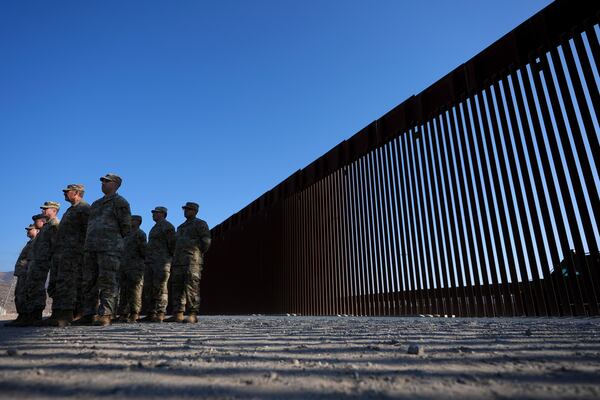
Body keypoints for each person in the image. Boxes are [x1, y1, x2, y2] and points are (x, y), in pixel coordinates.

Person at [77, 173, 131, 326]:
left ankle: (106, 314)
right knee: (89, 281)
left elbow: (125, 227)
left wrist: (113, 242)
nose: (103, 184)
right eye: (102, 182)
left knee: (108, 281)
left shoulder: (120, 202)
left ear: (115, 184)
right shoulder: (96, 204)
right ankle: (88, 313)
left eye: (107, 182)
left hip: (109, 248)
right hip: (91, 247)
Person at [42, 184, 90, 327]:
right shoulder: (70, 210)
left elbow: (88, 230)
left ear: (76, 193)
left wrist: (82, 251)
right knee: (62, 282)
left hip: (75, 253)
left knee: (71, 282)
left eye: (67, 191)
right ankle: (58, 313)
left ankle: (68, 314)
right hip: (64, 253)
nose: (64, 193)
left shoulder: (84, 208)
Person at [165, 202, 211, 323]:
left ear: (195, 211)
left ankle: (192, 314)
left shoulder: (200, 224)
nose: (186, 211)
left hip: (192, 261)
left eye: (189, 209)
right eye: (185, 209)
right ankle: (178, 313)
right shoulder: (180, 227)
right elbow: (175, 244)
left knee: (192, 286)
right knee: (177, 287)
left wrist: (196, 253)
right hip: (179, 261)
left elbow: (206, 241)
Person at [17, 201, 60, 326]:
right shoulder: (47, 227)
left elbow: (55, 245)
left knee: (38, 288)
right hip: (37, 262)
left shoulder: (54, 225)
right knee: (32, 287)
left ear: (54, 210)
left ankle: (36, 316)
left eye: (45, 209)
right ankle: (30, 315)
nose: (43, 211)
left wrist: (52, 260)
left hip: (44, 262)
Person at [141, 206, 175, 323]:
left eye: (156, 212)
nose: (153, 214)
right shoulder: (154, 228)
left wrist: (167, 259)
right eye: (153, 213)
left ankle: (161, 312)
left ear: (163, 214)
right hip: (151, 262)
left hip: (161, 261)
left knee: (160, 286)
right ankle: (151, 313)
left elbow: (172, 244)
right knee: (149, 287)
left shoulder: (167, 226)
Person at [4, 224, 39, 327]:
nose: (27, 232)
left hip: (28, 272)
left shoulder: (36, 242)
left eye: (30, 230)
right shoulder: (30, 243)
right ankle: (22, 316)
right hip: (22, 272)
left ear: (36, 230)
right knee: (19, 294)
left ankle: (27, 316)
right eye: (27, 230)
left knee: (24, 293)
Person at [116, 215, 147, 323]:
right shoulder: (126, 235)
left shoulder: (140, 234)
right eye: (130, 220)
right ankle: (123, 313)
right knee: (123, 291)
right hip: (124, 266)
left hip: (136, 267)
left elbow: (144, 251)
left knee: (135, 290)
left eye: (133, 220)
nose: (131, 221)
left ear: (139, 222)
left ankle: (135, 313)